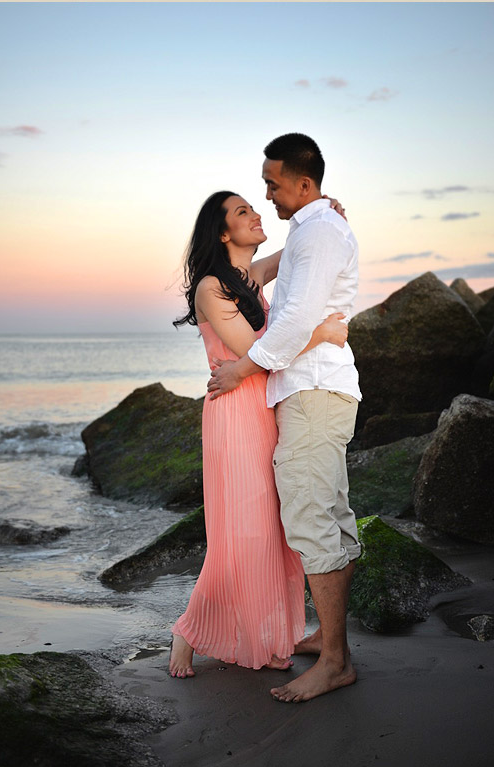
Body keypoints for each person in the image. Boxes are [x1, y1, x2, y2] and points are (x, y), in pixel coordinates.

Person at [207, 133, 362, 703]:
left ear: (302, 183)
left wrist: (244, 368)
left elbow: (295, 323)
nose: (266, 193)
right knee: (330, 515)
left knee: (310, 519)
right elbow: (263, 288)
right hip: (316, 390)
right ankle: (330, 639)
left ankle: (336, 662)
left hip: (314, 390)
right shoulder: (312, 228)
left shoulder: (318, 232)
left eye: (272, 184)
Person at [169, 189, 350, 678]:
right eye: (242, 211)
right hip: (233, 413)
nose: (256, 213)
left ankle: (265, 637)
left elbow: (296, 250)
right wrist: (322, 334)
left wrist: (322, 214)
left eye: (254, 206)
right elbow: (255, 348)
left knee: (272, 530)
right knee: (242, 531)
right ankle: (188, 630)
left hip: (264, 405)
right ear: (223, 232)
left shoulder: (248, 277)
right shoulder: (211, 286)